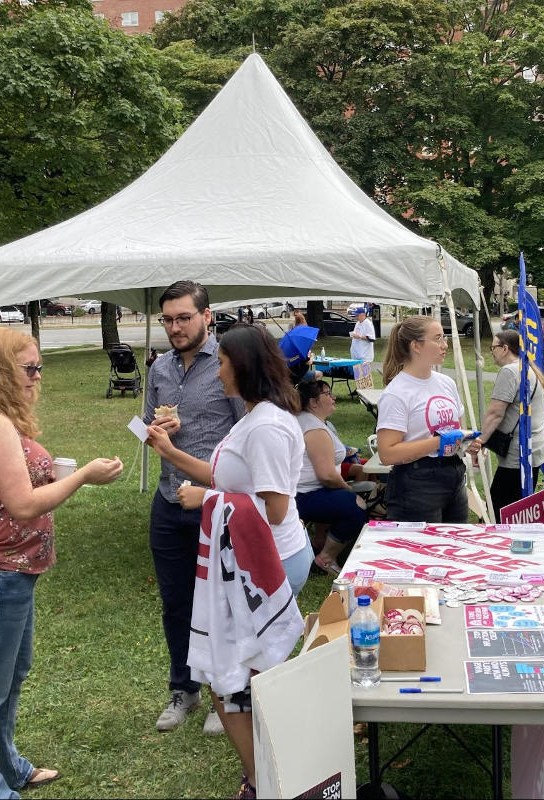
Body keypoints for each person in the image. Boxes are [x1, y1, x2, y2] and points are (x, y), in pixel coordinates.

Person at [0, 327, 123, 798]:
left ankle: (7, 768)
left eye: (39, 366)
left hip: (5, 571)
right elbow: (22, 505)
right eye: (29, 368)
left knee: (10, 675)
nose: (38, 376)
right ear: (0, 369)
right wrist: (82, 476)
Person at [146, 324, 310, 800]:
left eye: (221, 363)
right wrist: (172, 453)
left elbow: (274, 508)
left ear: (244, 367)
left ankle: (263, 781)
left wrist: (207, 500)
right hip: (248, 560)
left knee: (229, 676)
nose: (216, 373)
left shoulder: (267, 428)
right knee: (234, 674)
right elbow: (226, 473)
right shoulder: (254, 418)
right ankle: (265, 771)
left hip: (267, 564)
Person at [143, 280, 246, 735]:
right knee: (175, 602)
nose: (175, 327)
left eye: (184, 317)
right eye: (168, 319)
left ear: (207, 316)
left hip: (215, 502)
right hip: (168, 500)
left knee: (222, 602)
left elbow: (247, 434)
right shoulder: (159, 368)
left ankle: (228, 693)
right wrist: (155, 429)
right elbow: (145, 426)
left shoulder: (229, 365)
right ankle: (183, 688)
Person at [376, 315, 480, 522]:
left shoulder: (446, 383)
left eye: (444, 338)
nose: (445, 344)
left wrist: (466, 442)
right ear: (416, 346)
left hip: (454, 475)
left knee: (455, 545)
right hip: (416, 484)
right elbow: (387, 454)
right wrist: (438, 442)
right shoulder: (397, 393)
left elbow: (455, 428)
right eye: (438, 338)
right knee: (422, 551)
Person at [294, 375, 369, 573]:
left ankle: (320, 542)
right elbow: (326, 477)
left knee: (348, 494)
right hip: (303, 495)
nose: (333, 397)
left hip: (306, 491)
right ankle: (325, 559)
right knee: (356, 505)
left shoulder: (310, 421)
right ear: (313, 401)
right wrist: (349, 490)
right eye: (327, 394)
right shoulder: (314, 429)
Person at [476, 329, 544, 513]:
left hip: (518, 452)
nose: (492, 351)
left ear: (504, 348)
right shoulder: (527, 367)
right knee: (520, 509)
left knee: (500, 510)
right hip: (535, 447)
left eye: (493, 347)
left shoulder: (509, 371)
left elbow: (495, 413)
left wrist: (479, 441)